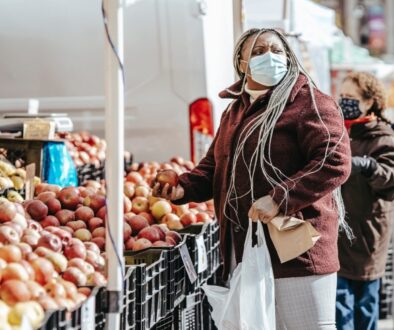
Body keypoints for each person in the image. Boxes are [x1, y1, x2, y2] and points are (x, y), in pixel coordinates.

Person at [154, 28, 351, 329]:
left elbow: (333, 161)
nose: (269, 57)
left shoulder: (309, 102)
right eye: (258, 52)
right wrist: (182, 186)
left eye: (276, 50)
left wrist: (279, 199)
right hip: (244, 247)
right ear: (242, 64)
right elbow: (214, 168)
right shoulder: (235, 111)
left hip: (297, 251)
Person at [336, 72, 394, 330]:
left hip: (368, 235)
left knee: (365, 305)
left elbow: (390, 179)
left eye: (351, 97)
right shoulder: (337, 131)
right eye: (342, 96)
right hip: (339, 235)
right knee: (340, 304)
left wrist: (370, 167)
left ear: (369, 101)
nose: (344, 102)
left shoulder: (382, 136)